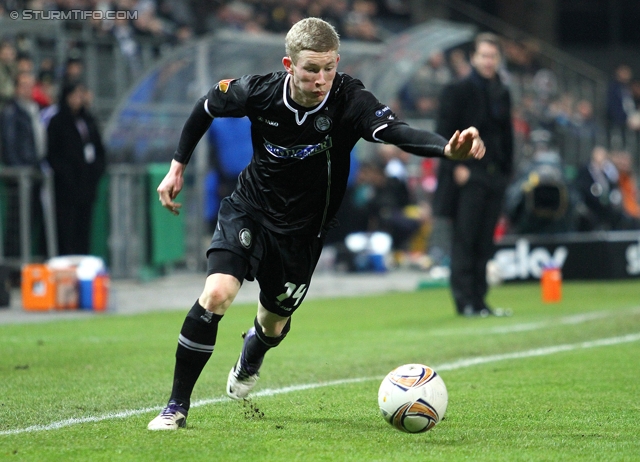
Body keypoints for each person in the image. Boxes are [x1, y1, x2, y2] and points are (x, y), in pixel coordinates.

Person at [147, 17, 485, 431]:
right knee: (217, 294)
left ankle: (253, 351)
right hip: (250, 207)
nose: (322, 78)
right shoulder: (260, 91)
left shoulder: (350, 99)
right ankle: (176, 407)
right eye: (311, 69)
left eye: (329, 68)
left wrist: (445, 149)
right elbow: (206, 105)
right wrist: (176, 166)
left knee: (273, 323)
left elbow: (396, 130)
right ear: (289, 65)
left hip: (303, 232)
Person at [432, 33, 514, 317]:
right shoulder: (456, 90)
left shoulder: (502, 91)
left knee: (484, 242)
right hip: (469, 175)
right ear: (473, 58)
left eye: (493, 56)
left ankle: (480, 301)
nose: (489, 61)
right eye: (484, 55)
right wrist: (456, 166)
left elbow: (507, 136)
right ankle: (464, 301)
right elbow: (443, 131)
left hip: (494, 176)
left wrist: (507, 172)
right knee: (465, 240)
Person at [46, 80, 106, 255]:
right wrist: (66, 175)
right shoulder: (57, 122)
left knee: (84, 230)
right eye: (74, 95)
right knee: (67, 230)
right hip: (66, 189)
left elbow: (99, 149)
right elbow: (53, 154)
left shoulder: (88, 120)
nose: (78, 99)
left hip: (87, 186)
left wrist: (95, 171)